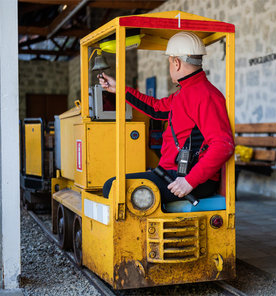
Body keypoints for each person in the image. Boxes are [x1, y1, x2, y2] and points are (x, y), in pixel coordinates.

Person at [100, 31, 234, 203]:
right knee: (116, 186)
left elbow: (223, 145)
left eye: (169, 62)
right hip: (172, 173)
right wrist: (119, 89)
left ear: (176, 63)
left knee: (113, 187)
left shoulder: (206, 95)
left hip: (190, 179)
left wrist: (189, 181)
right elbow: (156, 109)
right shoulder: (185, 93)